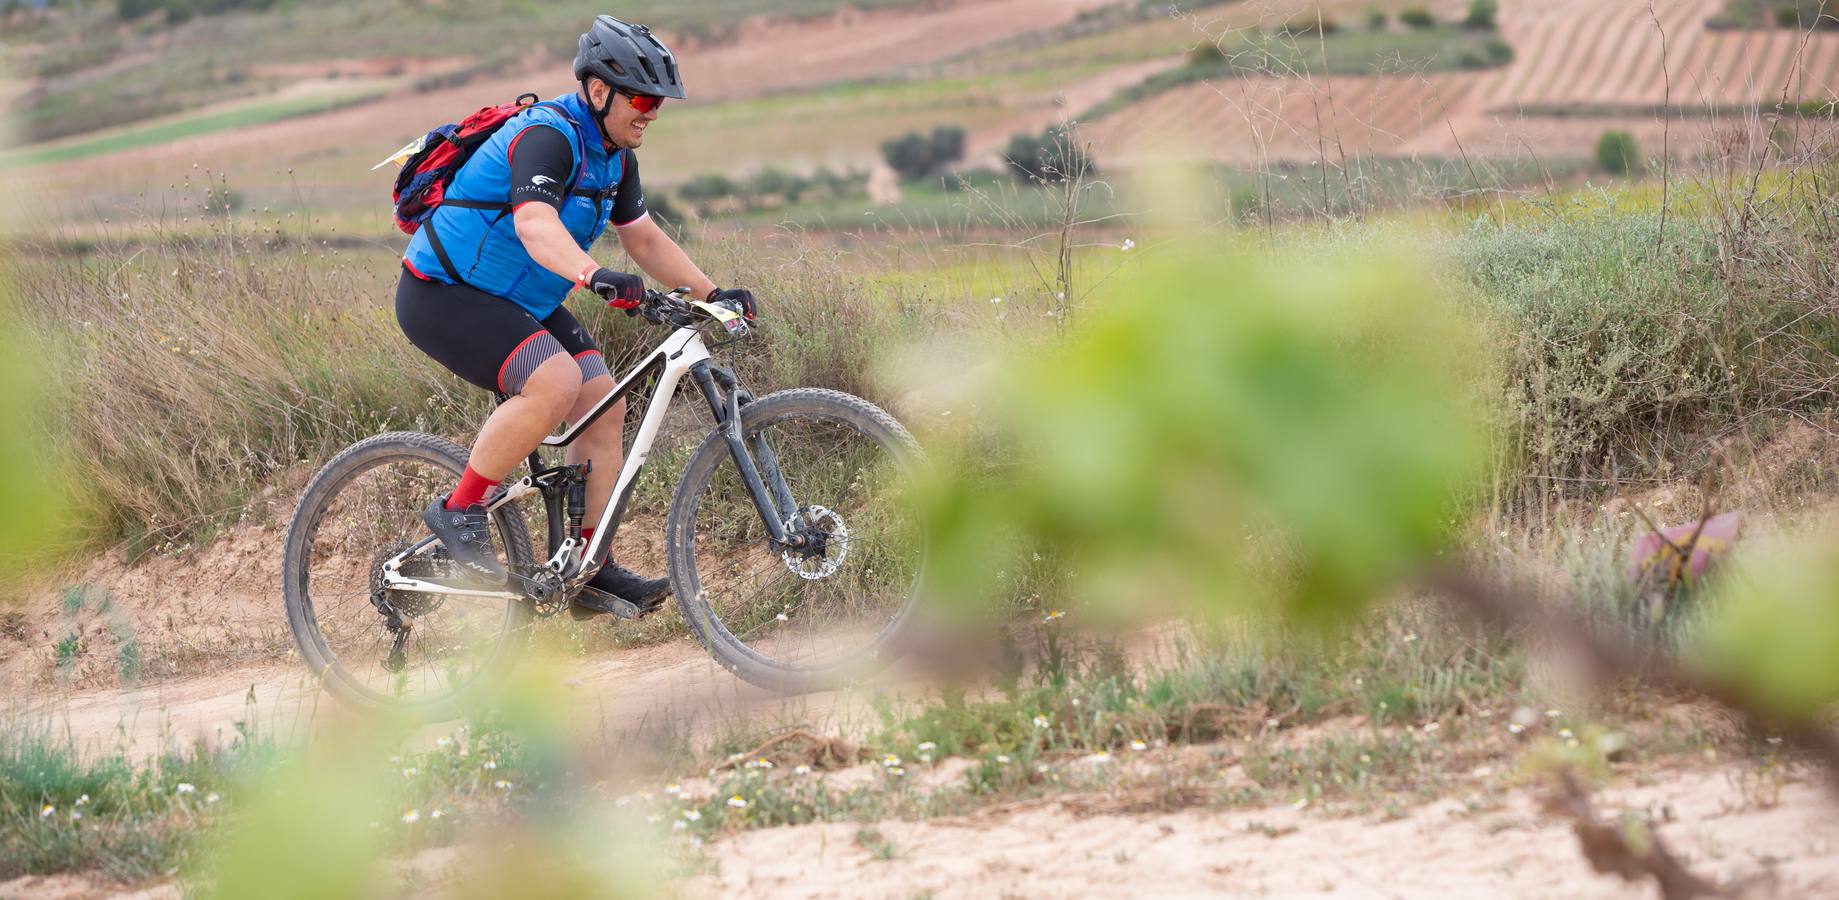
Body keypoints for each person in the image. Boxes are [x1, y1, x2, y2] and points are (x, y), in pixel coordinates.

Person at [394, 15, 756, 617]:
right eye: (641, 98)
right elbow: (534, 223)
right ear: (597, 90)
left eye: (659, 102)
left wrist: (713, 292)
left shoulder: (616, 157)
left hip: (519, 300)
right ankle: (458, 509)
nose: (652, 112)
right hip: (443, 291)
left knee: (603, 404)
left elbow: (643, 239)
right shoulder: (549, 138)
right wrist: (593, 275)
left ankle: (588, 567)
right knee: (555, 382)